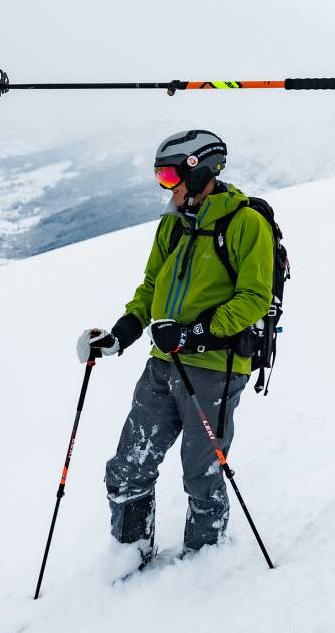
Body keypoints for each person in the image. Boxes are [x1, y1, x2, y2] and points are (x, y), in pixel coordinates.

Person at [78, 129, 274, 569]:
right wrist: (122, 333)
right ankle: (129, 556)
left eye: (169, 176)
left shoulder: (245, 223)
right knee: (128, 466)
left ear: (200, 169)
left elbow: (254, 297)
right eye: (160, 177)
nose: (166, 186)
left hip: (215, 368)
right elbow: (152, 287)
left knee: (201, 475)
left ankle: (203, 565)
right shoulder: (173, 223)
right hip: (163, 364)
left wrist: (195, 334)